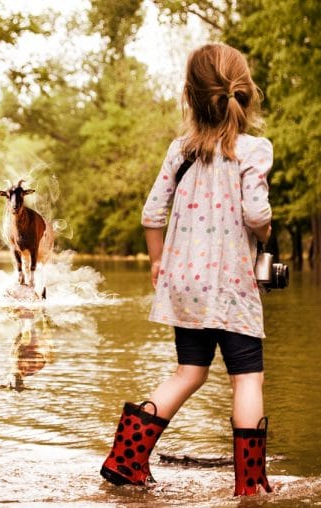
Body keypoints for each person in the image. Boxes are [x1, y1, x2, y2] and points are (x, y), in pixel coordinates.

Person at [100, 43, 274, 497]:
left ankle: (126, 460)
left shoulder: (181, 150)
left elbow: (151, 214)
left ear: (191, 96)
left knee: (188, 372)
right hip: (232, 286)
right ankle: (250, 484)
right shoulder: (254, 149)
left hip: (186, 286)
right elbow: (256, 215)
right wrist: (267, 230)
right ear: (244, 93)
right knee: (247, 378)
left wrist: (158, 260)